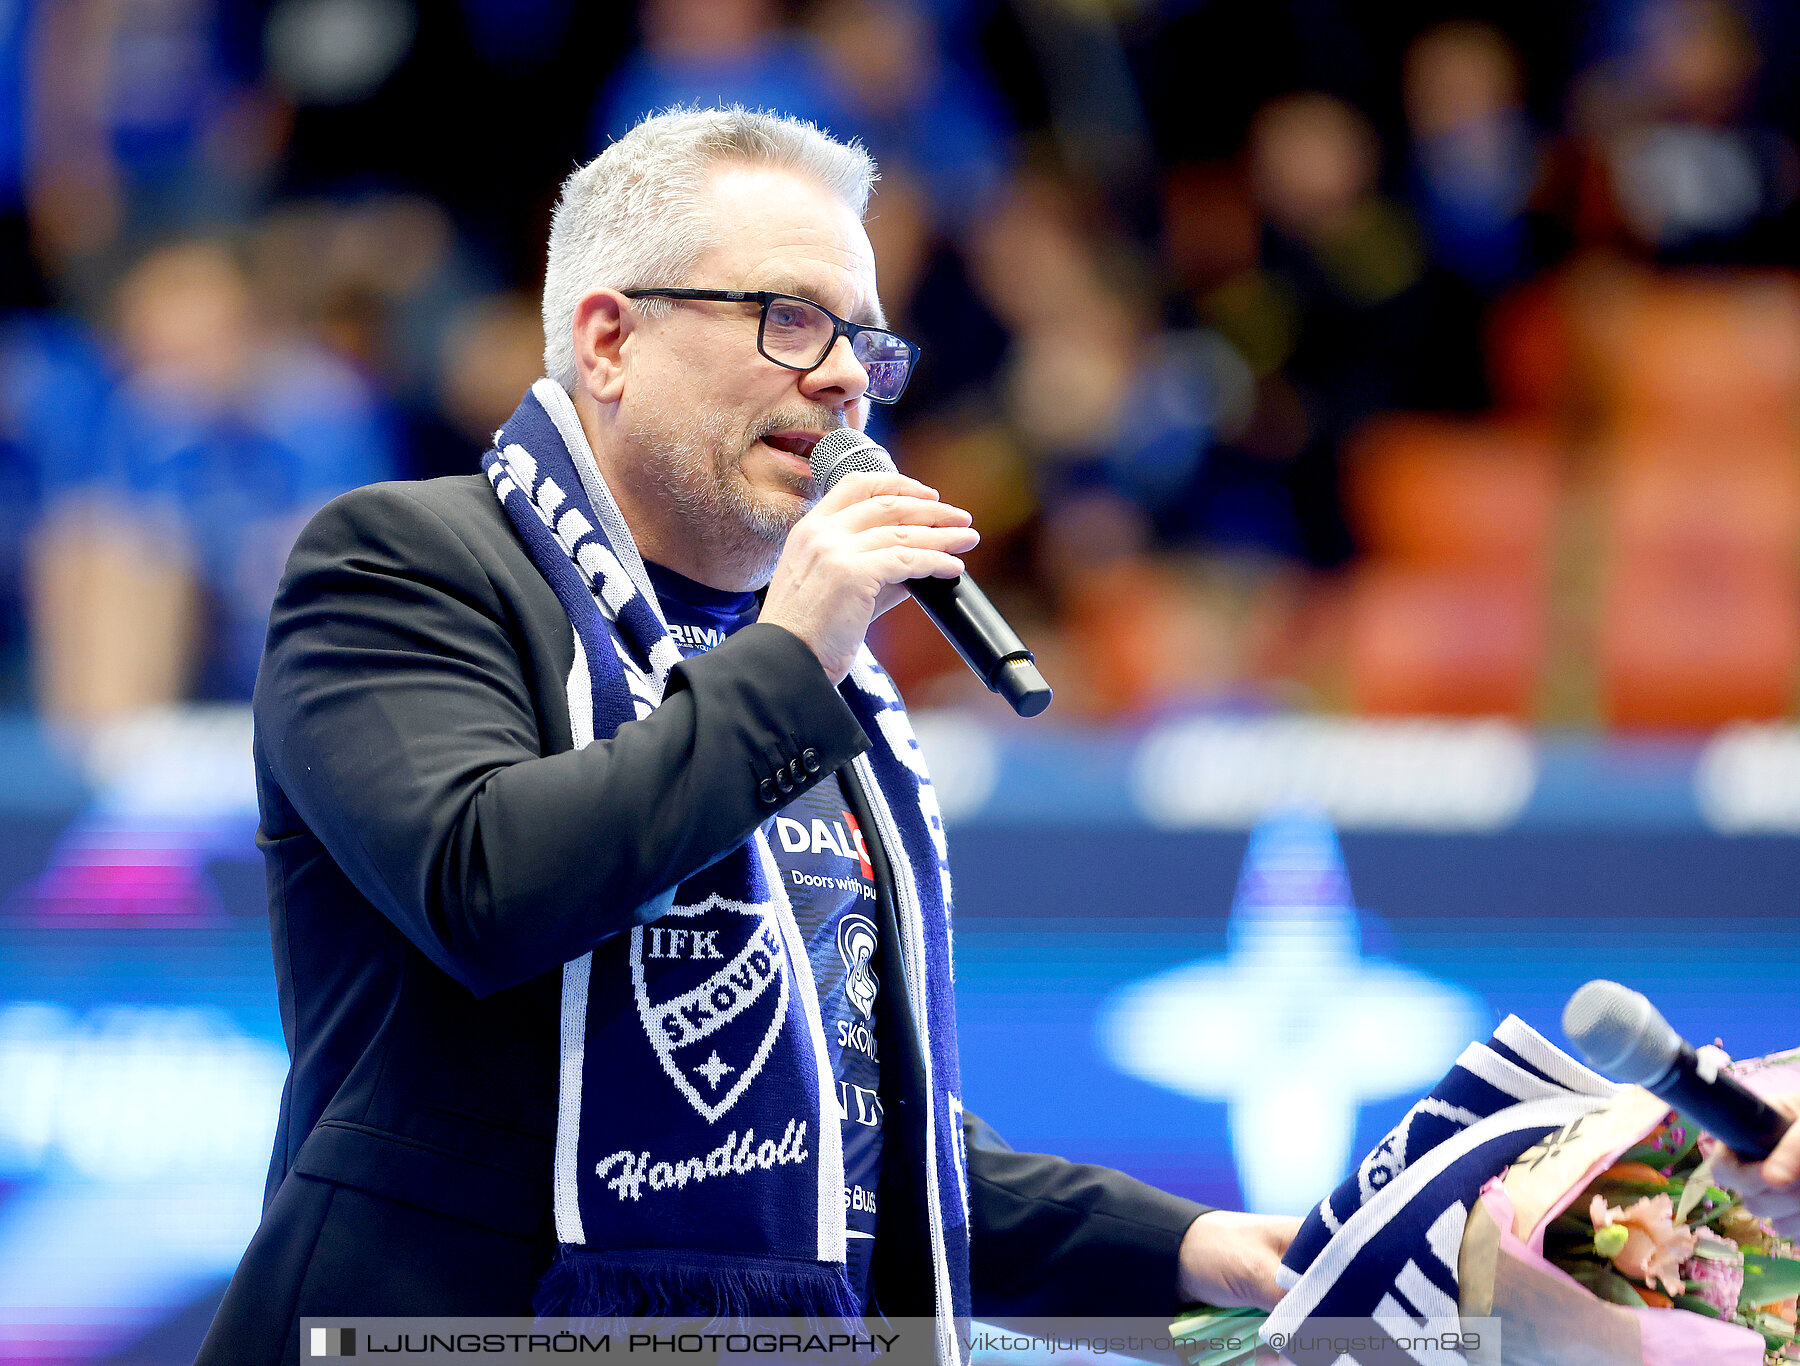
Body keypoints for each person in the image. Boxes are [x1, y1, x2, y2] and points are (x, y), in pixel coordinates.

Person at [196, 107, 1297, 1364]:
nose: (841, 378)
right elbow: (485, 884)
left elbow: (848, 1137)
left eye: (863, 344)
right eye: (788, 319)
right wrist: (795, 654)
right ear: (609, 342)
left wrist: (1191, 1243)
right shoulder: (403, 561)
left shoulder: (803, 672)